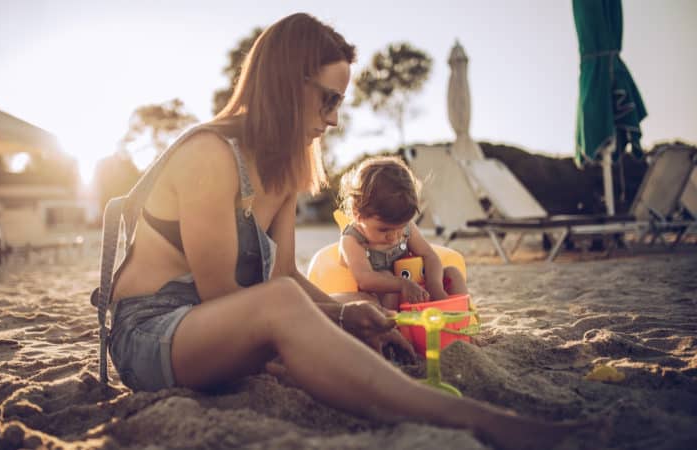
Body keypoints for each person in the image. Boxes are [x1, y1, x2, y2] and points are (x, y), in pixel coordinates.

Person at [95, 12, 592, 450]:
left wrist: (345, 313)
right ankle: (471, 420)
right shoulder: (208, 156)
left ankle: (417, 395)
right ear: (287, 85)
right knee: (293, 306)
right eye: (328, 99)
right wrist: (330, 324)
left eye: (341, 103)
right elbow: (224, 293)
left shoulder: (283, 169)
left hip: (217, 328)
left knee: (326, 308)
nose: (334, 119)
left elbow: (284, 272)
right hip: (153, 333)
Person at [338, 156, 467, 310]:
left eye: (401, 227)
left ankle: (457, 316)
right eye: (384, 229)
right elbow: (365, 279)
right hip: (383, 297)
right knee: (386, 275)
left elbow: (429, 255)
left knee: (453, 273)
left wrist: (435, 286)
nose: (394, 236)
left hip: (414, 286)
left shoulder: (406, 227)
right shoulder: (352, 240)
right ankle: (395, 326)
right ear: (357, 214)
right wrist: (401, 284)